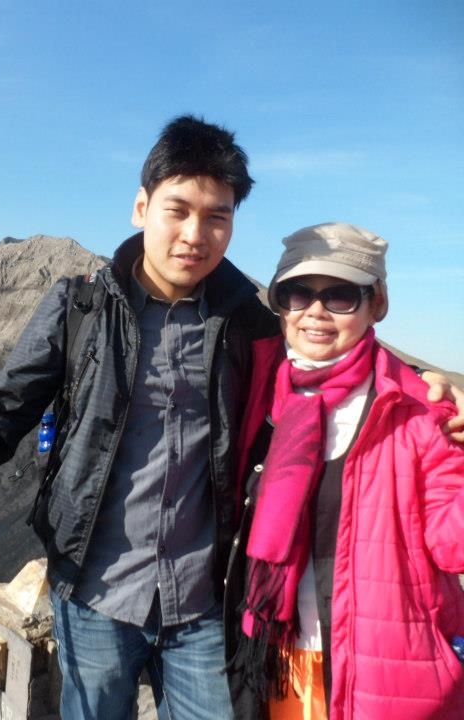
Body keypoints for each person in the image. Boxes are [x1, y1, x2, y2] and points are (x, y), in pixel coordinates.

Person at [0, 117, 464, 720]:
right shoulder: (80, 307)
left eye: (217, 216)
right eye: (179, 209)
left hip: (204, 602)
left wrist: (433, 395)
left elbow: (333, 369)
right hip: (95, 594)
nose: (196, 234)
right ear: (141, 207)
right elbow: (1, 414)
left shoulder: (249, 325)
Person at [225, 223, 464, 719]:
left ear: (377, 303)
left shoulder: (421, 411)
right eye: (296, 293)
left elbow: (454, 544)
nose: (315, 311)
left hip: (385, 675)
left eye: (340, 296)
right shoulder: (257, 389)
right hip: (277, 660)